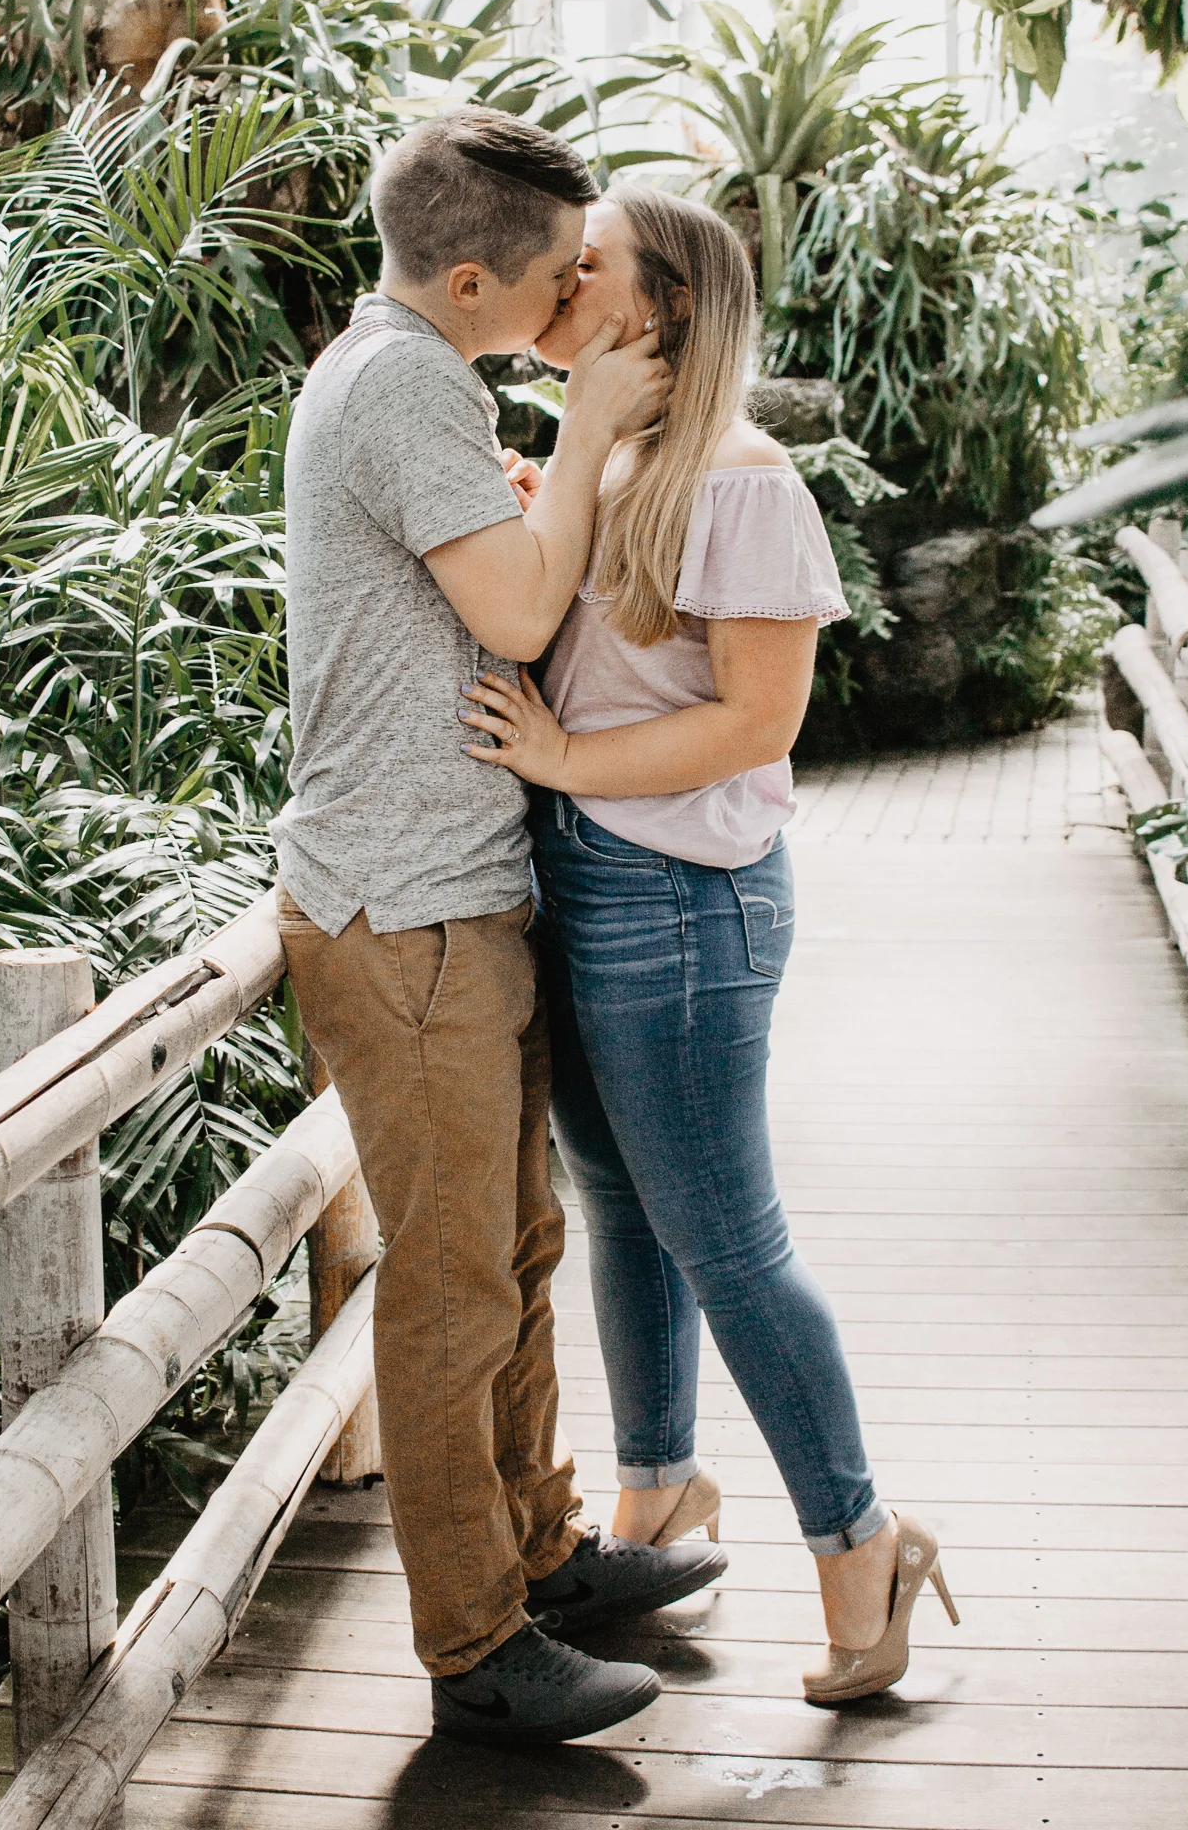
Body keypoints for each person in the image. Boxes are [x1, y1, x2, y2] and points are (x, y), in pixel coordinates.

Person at [457, 184, 961, 1706]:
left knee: (728, 1242)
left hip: (682, 899)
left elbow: (756, 722)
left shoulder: (742, 481)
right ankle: (660, 1492)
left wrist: (555, 764)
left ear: (660, 307)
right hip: (594, 880)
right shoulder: (599, 464)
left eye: (588, 264)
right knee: (622, 1202)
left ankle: (862, 1540)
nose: (558, 279)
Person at [271, 113, 728, 1749]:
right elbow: (527, 616)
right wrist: (597, 409)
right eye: (557, 284)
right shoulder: (401, 383)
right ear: (473, 278)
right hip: (406, 910)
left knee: (518, 1252)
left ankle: (535, 1556)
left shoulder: (408, 375)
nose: (580, 308)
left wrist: (551, 459)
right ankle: (476, 1649)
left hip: (457, 894)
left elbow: (494, 588)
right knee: (458, 1283)